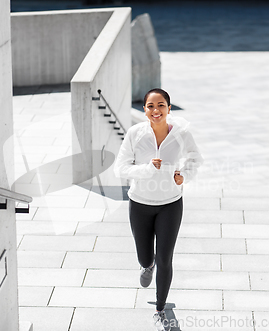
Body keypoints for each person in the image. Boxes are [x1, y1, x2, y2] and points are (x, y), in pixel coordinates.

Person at [113, 88, 204, 331]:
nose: (156, 111)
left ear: (169, 108)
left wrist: (183, 174)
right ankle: (146, 265)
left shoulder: (181, 134)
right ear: (144, 110)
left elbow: (195, 158)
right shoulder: (135, 133)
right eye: (151, 106)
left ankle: (160, 309)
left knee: (165, 258)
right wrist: (146, 169)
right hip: (140, 203)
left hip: (170, 204)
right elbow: (120, 168)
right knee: (146, 256)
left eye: (161, 105)